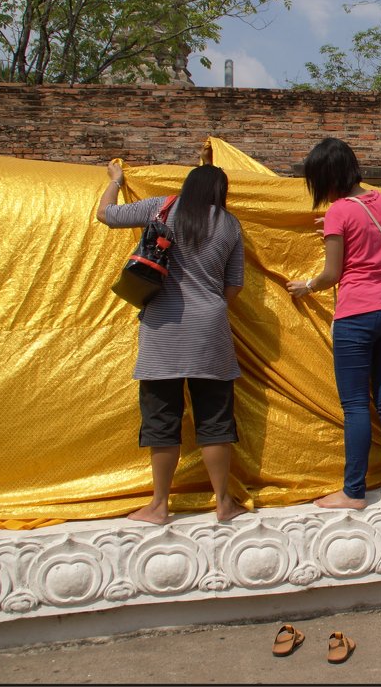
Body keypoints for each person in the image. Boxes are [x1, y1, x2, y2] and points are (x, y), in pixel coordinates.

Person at [97, 161, 247, 524]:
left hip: (162, 329)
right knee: (215, 418)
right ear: (219, 193)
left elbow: (106, 215)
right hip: (209, 329)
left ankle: (159, 506)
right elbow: (235, 284)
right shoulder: (229, 224)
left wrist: (116, 182)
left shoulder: (161, 206)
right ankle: (224, 503)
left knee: (162, 417)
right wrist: (209, 303)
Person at [286, 138, 381, 509]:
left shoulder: (339, 212)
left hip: (357, 314)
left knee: (356, 405)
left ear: (328, 175)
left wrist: (305, 286)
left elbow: (331, 274)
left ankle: (354, 492)